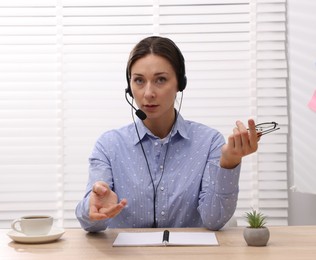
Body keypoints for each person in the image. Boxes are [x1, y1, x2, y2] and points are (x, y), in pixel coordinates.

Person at [75, 36, 259, 232]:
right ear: (129, 88)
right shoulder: (109, 145)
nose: (148, 93)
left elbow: (214, 220)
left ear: (180, 83)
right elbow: (90, 223)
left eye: (160, 80)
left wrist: (229, 163)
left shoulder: (210, 142)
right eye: (139, 80)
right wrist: (95, 206)